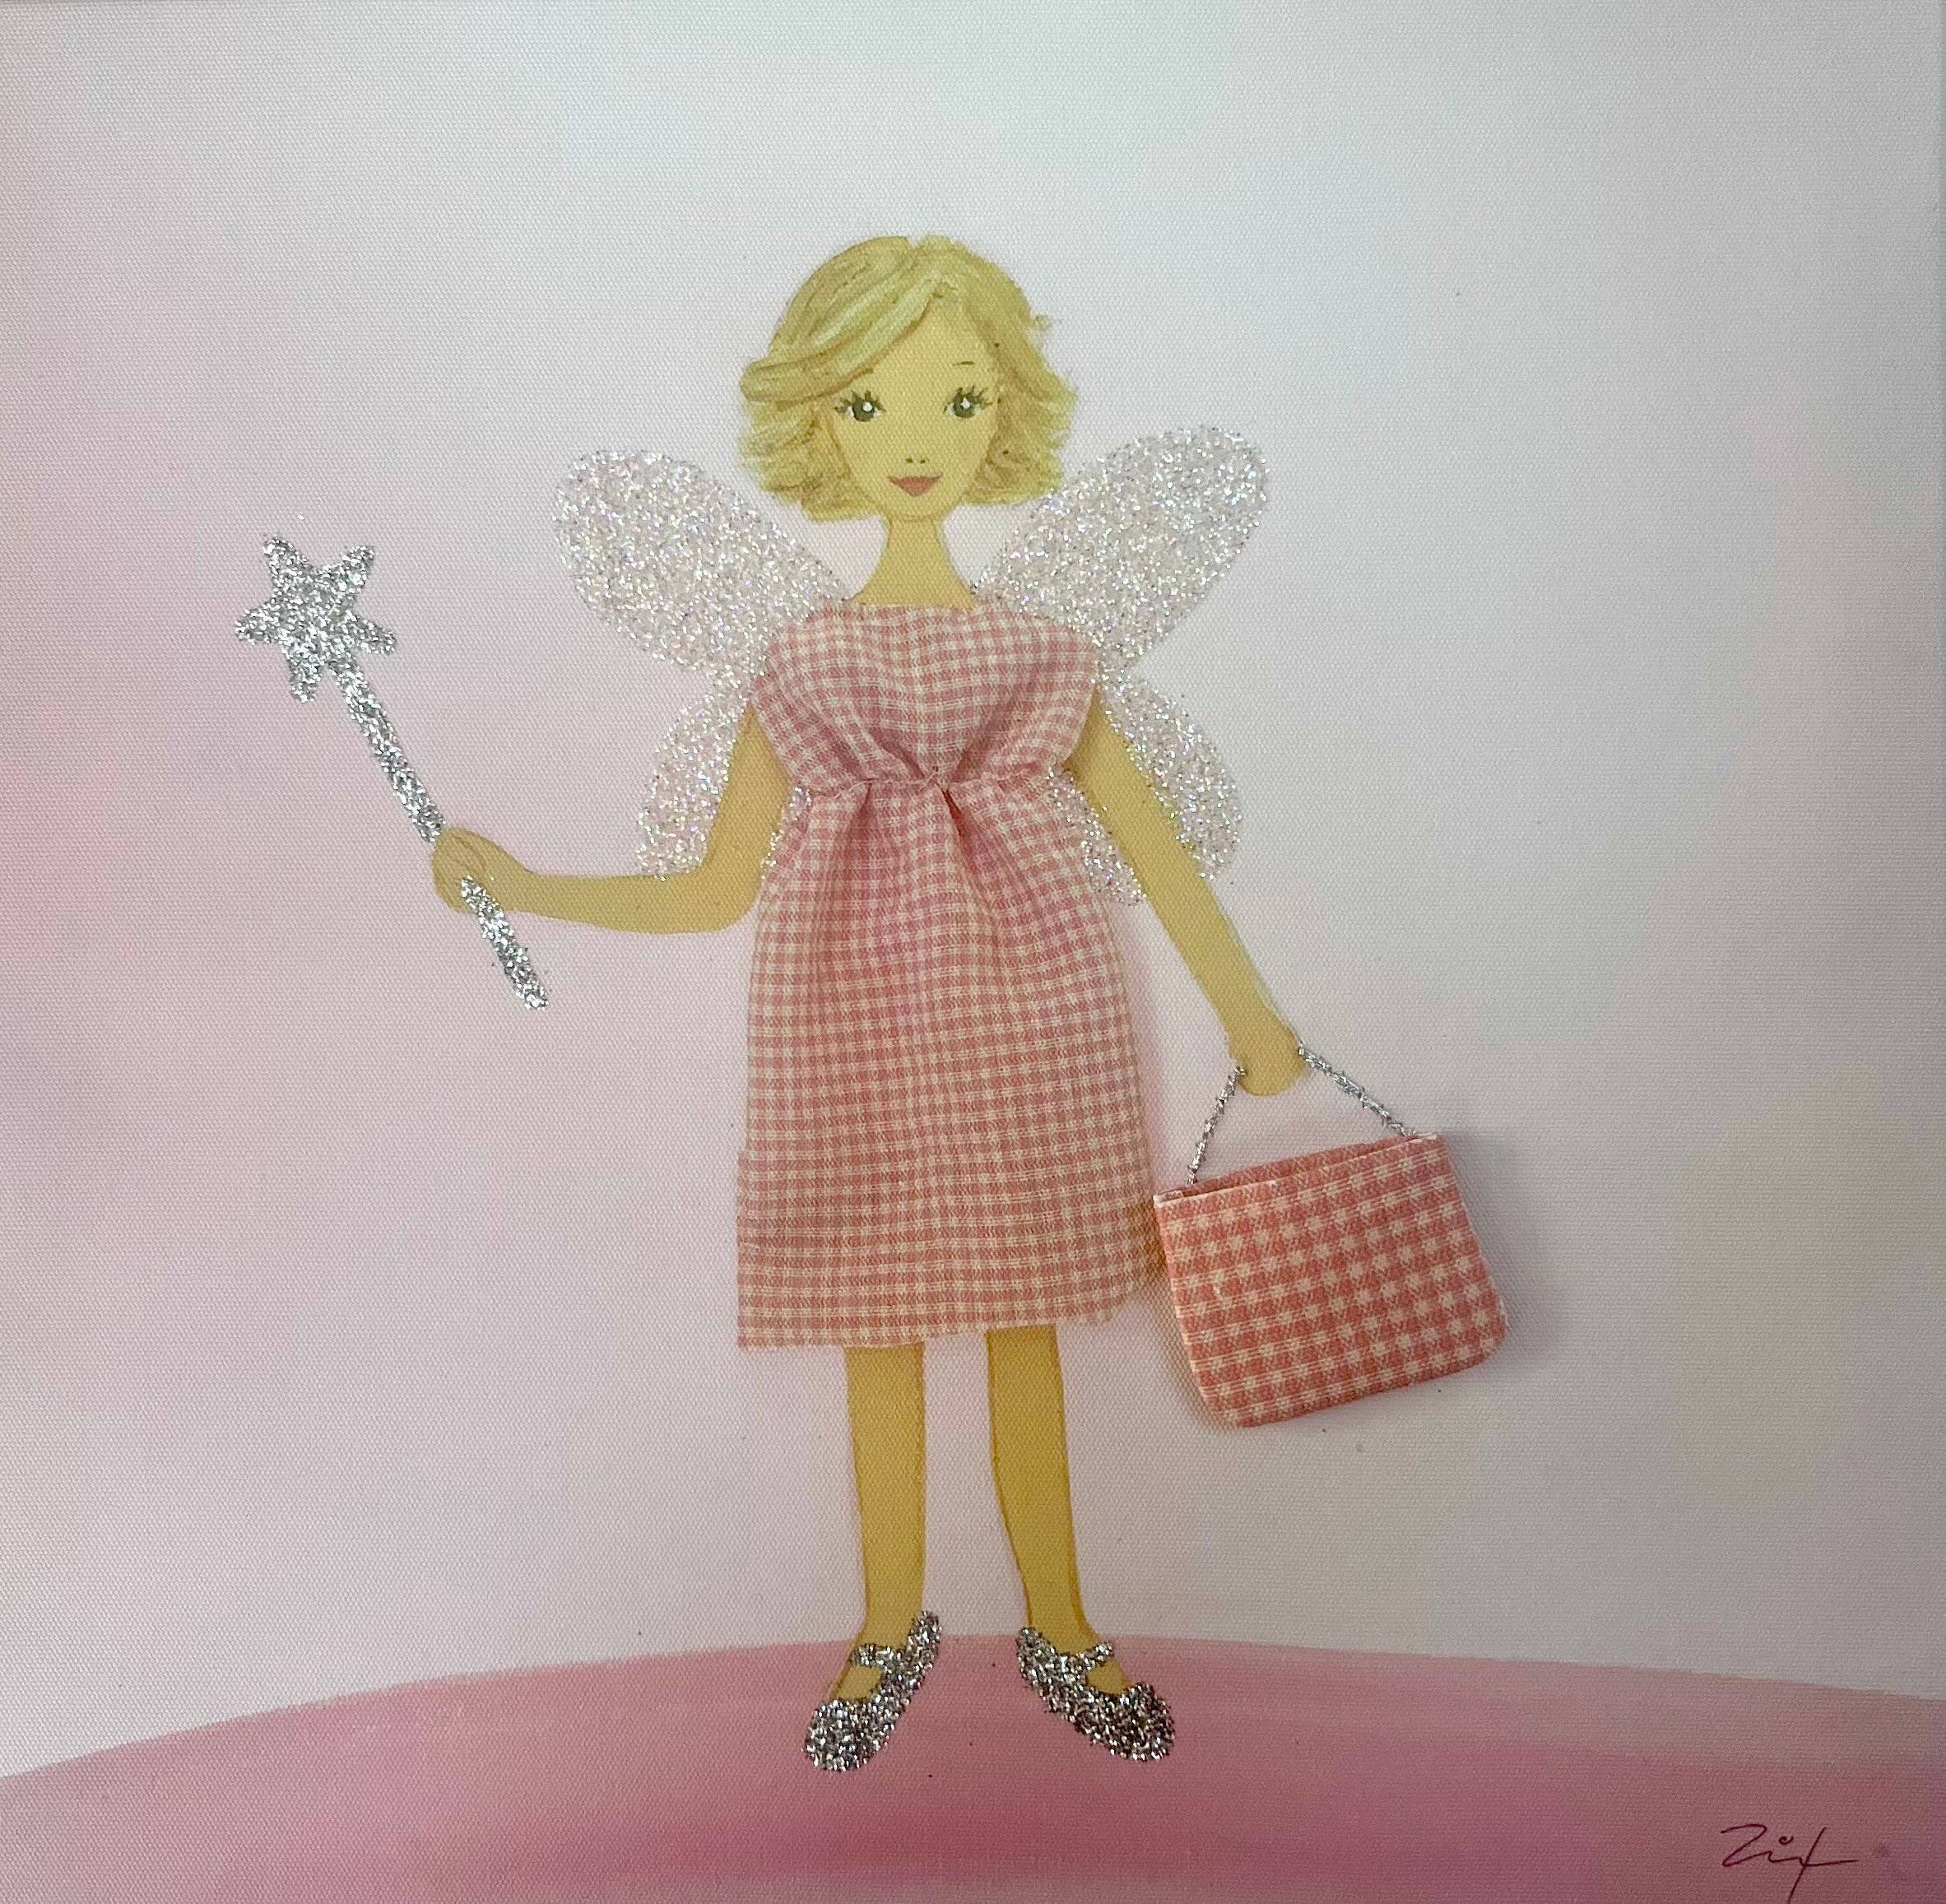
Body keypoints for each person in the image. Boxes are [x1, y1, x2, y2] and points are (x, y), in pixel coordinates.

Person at [431, 235, 1303, 1769]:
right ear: (816, 423)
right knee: (875, 1326)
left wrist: (1249, 1014)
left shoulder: (1039, 655)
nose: (913, 440)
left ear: (1003, 416)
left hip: (1034, 1023)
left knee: (1027, 1325)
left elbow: (1154, 851)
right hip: (850, 1034)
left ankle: (1061, 1621)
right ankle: (888, 1624)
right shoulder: (800, 667)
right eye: (867, 404)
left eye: (957, 399)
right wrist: (528, 883)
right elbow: (717, 886)